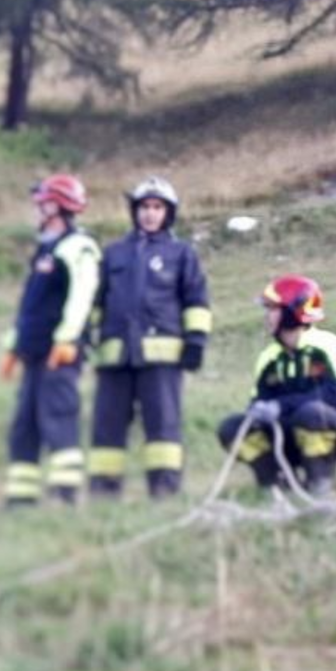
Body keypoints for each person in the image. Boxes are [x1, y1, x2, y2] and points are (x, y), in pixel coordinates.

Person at [88, 176, 212, 499]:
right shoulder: (113, 254)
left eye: (157, 207)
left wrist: (196, 341)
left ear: (168, 213)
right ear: (135, 211)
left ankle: (164, 491)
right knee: (107, 427)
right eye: (144, 207)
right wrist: (86, 337)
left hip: (162, 358)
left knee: (163, 428)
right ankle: (103, 493)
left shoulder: (181, 254)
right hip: (115, 357)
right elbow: (97, 303)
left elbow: (196, 301)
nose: (150, 213)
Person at [0, 174, 101, 507]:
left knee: (58, 419)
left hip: (60, 353)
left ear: (59, 206)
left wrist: (68, 339)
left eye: (43, 202)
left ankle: (65, 495)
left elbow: (82, 298)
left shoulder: (79, 247)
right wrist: (14, 347)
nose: (37, 208)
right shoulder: (45, 248)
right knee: (24, 425)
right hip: (34, 353)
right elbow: (31, 304)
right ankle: (21, 498)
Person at [216, 275, 336, 497]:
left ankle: (319, 481)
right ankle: (274, 482)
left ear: (292, 312)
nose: (266, 316)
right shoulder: (268, 357)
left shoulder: (330, 346)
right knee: (231, 428)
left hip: (324, 431)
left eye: (272, 309)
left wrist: (280, 406)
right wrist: (258, 410)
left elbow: (335, 394)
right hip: (281, 438)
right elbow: (258, 401)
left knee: (312, 413)